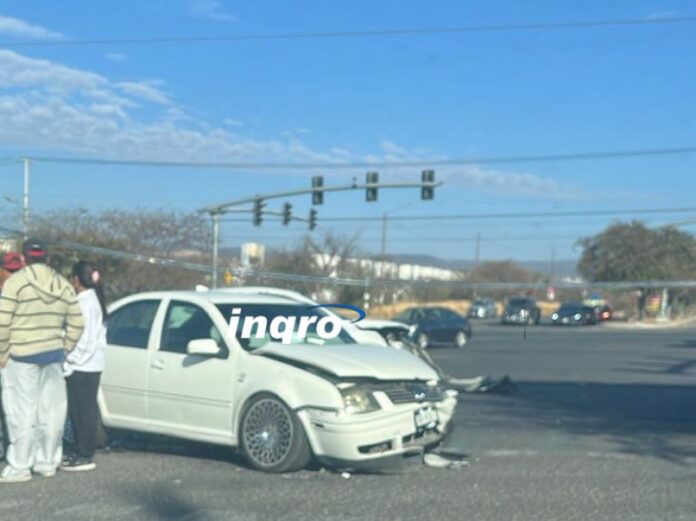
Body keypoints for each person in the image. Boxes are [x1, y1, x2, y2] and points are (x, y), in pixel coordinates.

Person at [0, 239, 84, 483]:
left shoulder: (16, 283)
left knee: (21, 411)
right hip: (53, 354)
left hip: (21, 355)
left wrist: (2, 353)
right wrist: (65, 347)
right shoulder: (63, 284)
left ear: (24, 258)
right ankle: (47, 461)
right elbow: (78, 323)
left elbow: (2, 321)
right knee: (52, 411)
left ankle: (19, 466)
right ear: (47, 258)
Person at [62, 261, 107, 472]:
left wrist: (71, 358)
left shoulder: (84, 302)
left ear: (77, 279)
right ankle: (79, 451)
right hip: (88, 363)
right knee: (80, 410)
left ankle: (84, 454)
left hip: (83, 365)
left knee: (83, 411)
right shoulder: (93, 299)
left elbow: (85, 338)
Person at [0, 252, 24, 461]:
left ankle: (13, 448)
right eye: (9, 271)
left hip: (16, 360)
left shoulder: (24, 296)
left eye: (17, 271)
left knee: (15, 407)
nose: (12, 275)